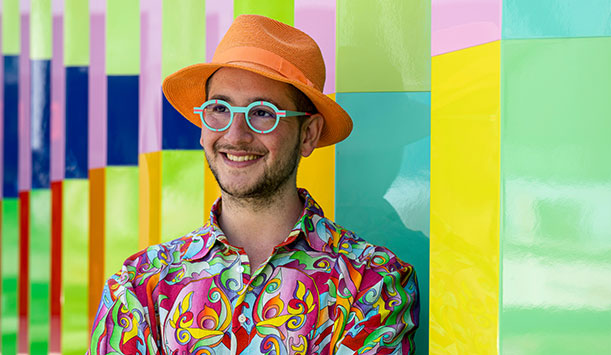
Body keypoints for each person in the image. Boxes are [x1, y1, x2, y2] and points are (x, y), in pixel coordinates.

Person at [88, 14, 419, 354]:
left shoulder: (372, 284)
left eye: (262, 113)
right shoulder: (140, 284)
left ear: (308, 134)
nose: (235, 134)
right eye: (219, 108)